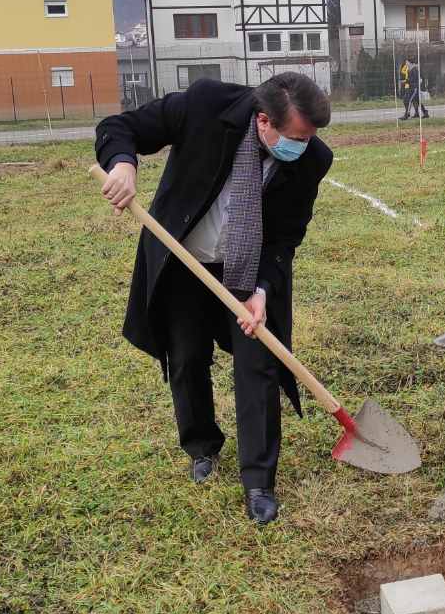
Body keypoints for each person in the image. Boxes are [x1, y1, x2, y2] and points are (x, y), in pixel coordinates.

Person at [95, 72, 334, 526]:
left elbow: (286, 237)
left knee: (258, 365)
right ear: (264, 121)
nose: (303, 146)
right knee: (186, 357)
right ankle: (202, 447)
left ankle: (259, 482)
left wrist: (262, 291)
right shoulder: (207, 106)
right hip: (185, 259)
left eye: (311, 137)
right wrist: (123, 165)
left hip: (246, 270)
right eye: (297, 136)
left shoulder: (311, 160)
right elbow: (120, 127)